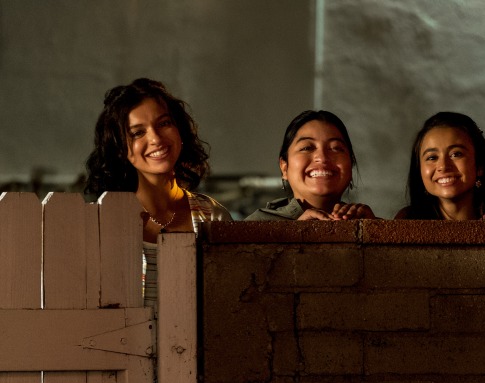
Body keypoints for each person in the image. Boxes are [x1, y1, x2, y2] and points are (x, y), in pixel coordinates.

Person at [85, 78, 232, 304]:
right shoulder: (99, 223)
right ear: (120, 148)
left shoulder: (212, 216)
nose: (155, 139)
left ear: (180, 131)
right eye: (137, 133)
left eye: (163, 123)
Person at [246, 110, 376, 220]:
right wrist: (295, 235)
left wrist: (374, 231)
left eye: (335, 148)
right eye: (307, 148)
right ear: (284, 167)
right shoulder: (251, 230)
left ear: (351, 164)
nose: (322, 157)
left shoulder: (366, 220)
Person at [395, 112, 485, 220]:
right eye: (432, 157)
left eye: (456, 154)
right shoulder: (405, 223)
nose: (443, 166)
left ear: (480, 165)